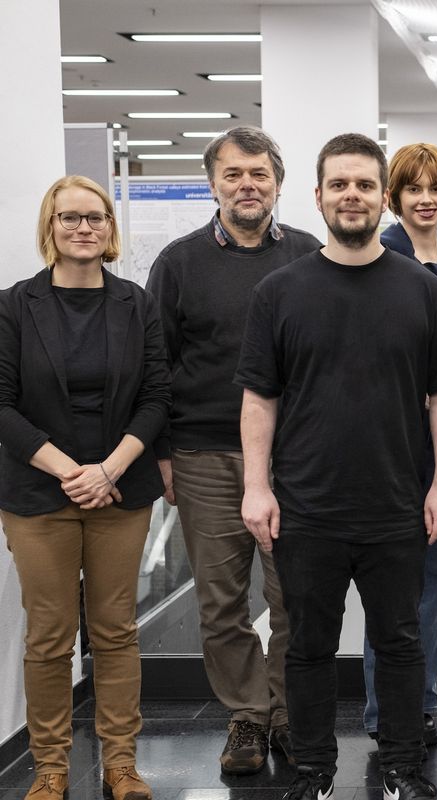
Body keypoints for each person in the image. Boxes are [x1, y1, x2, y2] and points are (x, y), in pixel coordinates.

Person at [236, 133, 437, 800]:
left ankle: (400, 766)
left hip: (398, 503)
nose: (352, 196)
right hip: (306, 507)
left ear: (382, 197)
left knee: (398, 644)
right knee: (308, 646)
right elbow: (259, 398)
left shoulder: (423, 291)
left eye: (365, 185)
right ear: (318, 196)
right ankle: (312, 772)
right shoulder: (279, 292)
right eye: (340, 184)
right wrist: (256, 487)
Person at [146, 125, 321, 774]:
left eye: (259, 174)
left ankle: (285, 715)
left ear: (277, 182)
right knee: (221, 603)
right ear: (213, 182)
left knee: (293, 600)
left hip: (292, 461)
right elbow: (155, 363)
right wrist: (163, 452)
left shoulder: (308, 255)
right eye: (233, 174)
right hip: (204, 457)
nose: (247, 185)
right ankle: (247, 719)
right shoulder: (178, 262)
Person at [0, 175, 171, 800]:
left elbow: (157, 397)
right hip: (38, 493)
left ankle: (120, 764)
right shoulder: (14, 305)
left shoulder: (136, 302)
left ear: (110, 228)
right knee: (49, 632)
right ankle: (49, 766)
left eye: (95, 218)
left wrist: (109, 470)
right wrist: (69, 470)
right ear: (51, 227)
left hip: (118, 491)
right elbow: (2, 405)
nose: (83, 228)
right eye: (70, 218)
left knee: (115, 628)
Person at [361, 141, 437, 749]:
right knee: (391, 591)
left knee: (434, 585)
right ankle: (385, 715)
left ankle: (421, 704)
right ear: (394, 197)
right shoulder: (376, 260)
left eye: (435, 189)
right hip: (388, 450)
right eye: (413, 189)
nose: (425, 199)